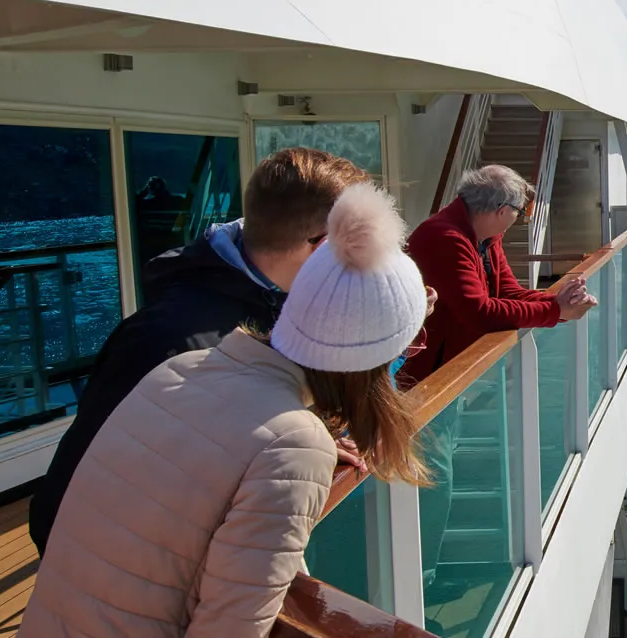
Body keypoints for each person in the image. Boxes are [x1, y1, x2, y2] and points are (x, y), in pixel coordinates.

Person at [19, 183, 431, 638]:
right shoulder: (294, 443)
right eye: (406, 344)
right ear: (369, 362)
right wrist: (297, 458)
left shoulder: (183, 368)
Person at [29, 147, 372, 555]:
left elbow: (227, 428)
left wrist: (309, 437)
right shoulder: (168, 342)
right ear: (319, 248)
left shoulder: (271, 303)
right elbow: (66, 503)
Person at [401, 165, 595, 573]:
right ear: (499, 208)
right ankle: (419, 576)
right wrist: (555, 311)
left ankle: (422, 568)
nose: (519, 219)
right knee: (433, 478)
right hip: (420, 383)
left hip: (442, 375)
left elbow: (507, 291)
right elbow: (480, 312)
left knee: (438, 469)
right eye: (520, 212)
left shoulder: (483, 237)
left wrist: (554, 297)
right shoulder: (446, 238)